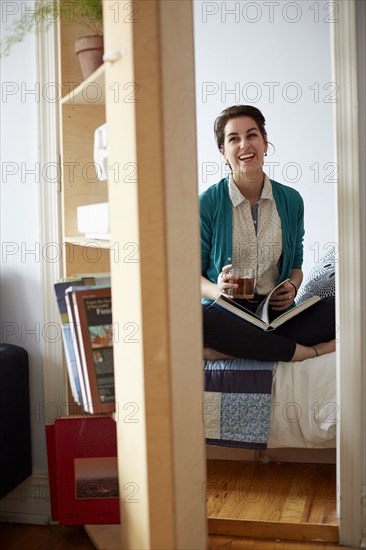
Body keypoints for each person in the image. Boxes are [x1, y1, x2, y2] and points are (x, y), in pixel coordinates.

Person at [200, 105, 335, 362]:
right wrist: (218, 289)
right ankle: (304, 352)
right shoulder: (208, 203)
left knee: (338, 311)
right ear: (222, 151)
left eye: (252, 135)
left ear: (264, 142)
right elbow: (190, 278)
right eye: (233, 139)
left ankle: (227, 351)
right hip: (227, 312)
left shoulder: (291, 200)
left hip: (276, 314)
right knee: (197, 321)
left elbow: (295, 265)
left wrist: (293, 287)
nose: (244, 145)